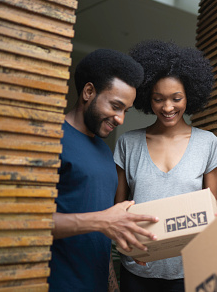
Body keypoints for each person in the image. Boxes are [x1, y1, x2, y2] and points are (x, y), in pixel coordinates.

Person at [114, 40, 217, 292]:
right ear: (146, 98)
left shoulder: (207, 143)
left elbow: (210, 212)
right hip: (137, 268)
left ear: (190, 96)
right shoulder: (128, 144)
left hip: (187, 270)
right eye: (158, 99)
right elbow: (118, 210)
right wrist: (129, 248)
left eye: (176, 98)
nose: (167, 107)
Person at [48, 49, 159, 292]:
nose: (120, 119)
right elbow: (25, 221)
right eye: (116, 106)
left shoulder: (104, 152)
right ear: (88, 92)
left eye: (125, 111)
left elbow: (102, 232)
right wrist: (102, 221)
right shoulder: (50, 141)